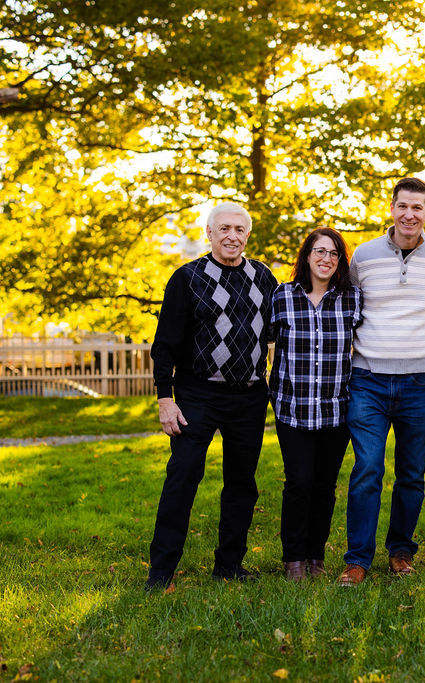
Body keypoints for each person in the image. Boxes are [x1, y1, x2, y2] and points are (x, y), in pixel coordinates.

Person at [146, 201, 278, 590]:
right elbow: (164, 344)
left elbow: (276, 331)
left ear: (248, 235)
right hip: (197, 393)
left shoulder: (263, 277)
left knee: (242, 483)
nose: (232, 236)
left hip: (249, 396)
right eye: (224, 229)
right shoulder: (187, 278)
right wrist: (165, 398)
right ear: (209, 233)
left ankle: (229, 565)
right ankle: (161, 571)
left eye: (239, 229)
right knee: (183, 477)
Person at [337, 177, 425, 586]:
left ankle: (401, 551)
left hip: (420, 382)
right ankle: (357, 559)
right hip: (368, 380)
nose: (409, 214)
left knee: (411, 474)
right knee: (367, 468)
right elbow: (345, 302)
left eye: (417, 207)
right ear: (391, 208)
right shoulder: (365, 255)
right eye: (402, 206)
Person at [268, 227, 362, 581]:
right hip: (292, 408)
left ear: (340, 261)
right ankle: (293, 558)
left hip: (335, 410)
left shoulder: (352, 299)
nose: (326, 258)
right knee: (298, 482)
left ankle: (315, 556)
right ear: (307, 256)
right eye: (320, 251)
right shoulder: (282, 296)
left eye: (334, 253)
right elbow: (260, 339)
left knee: (324, 487)